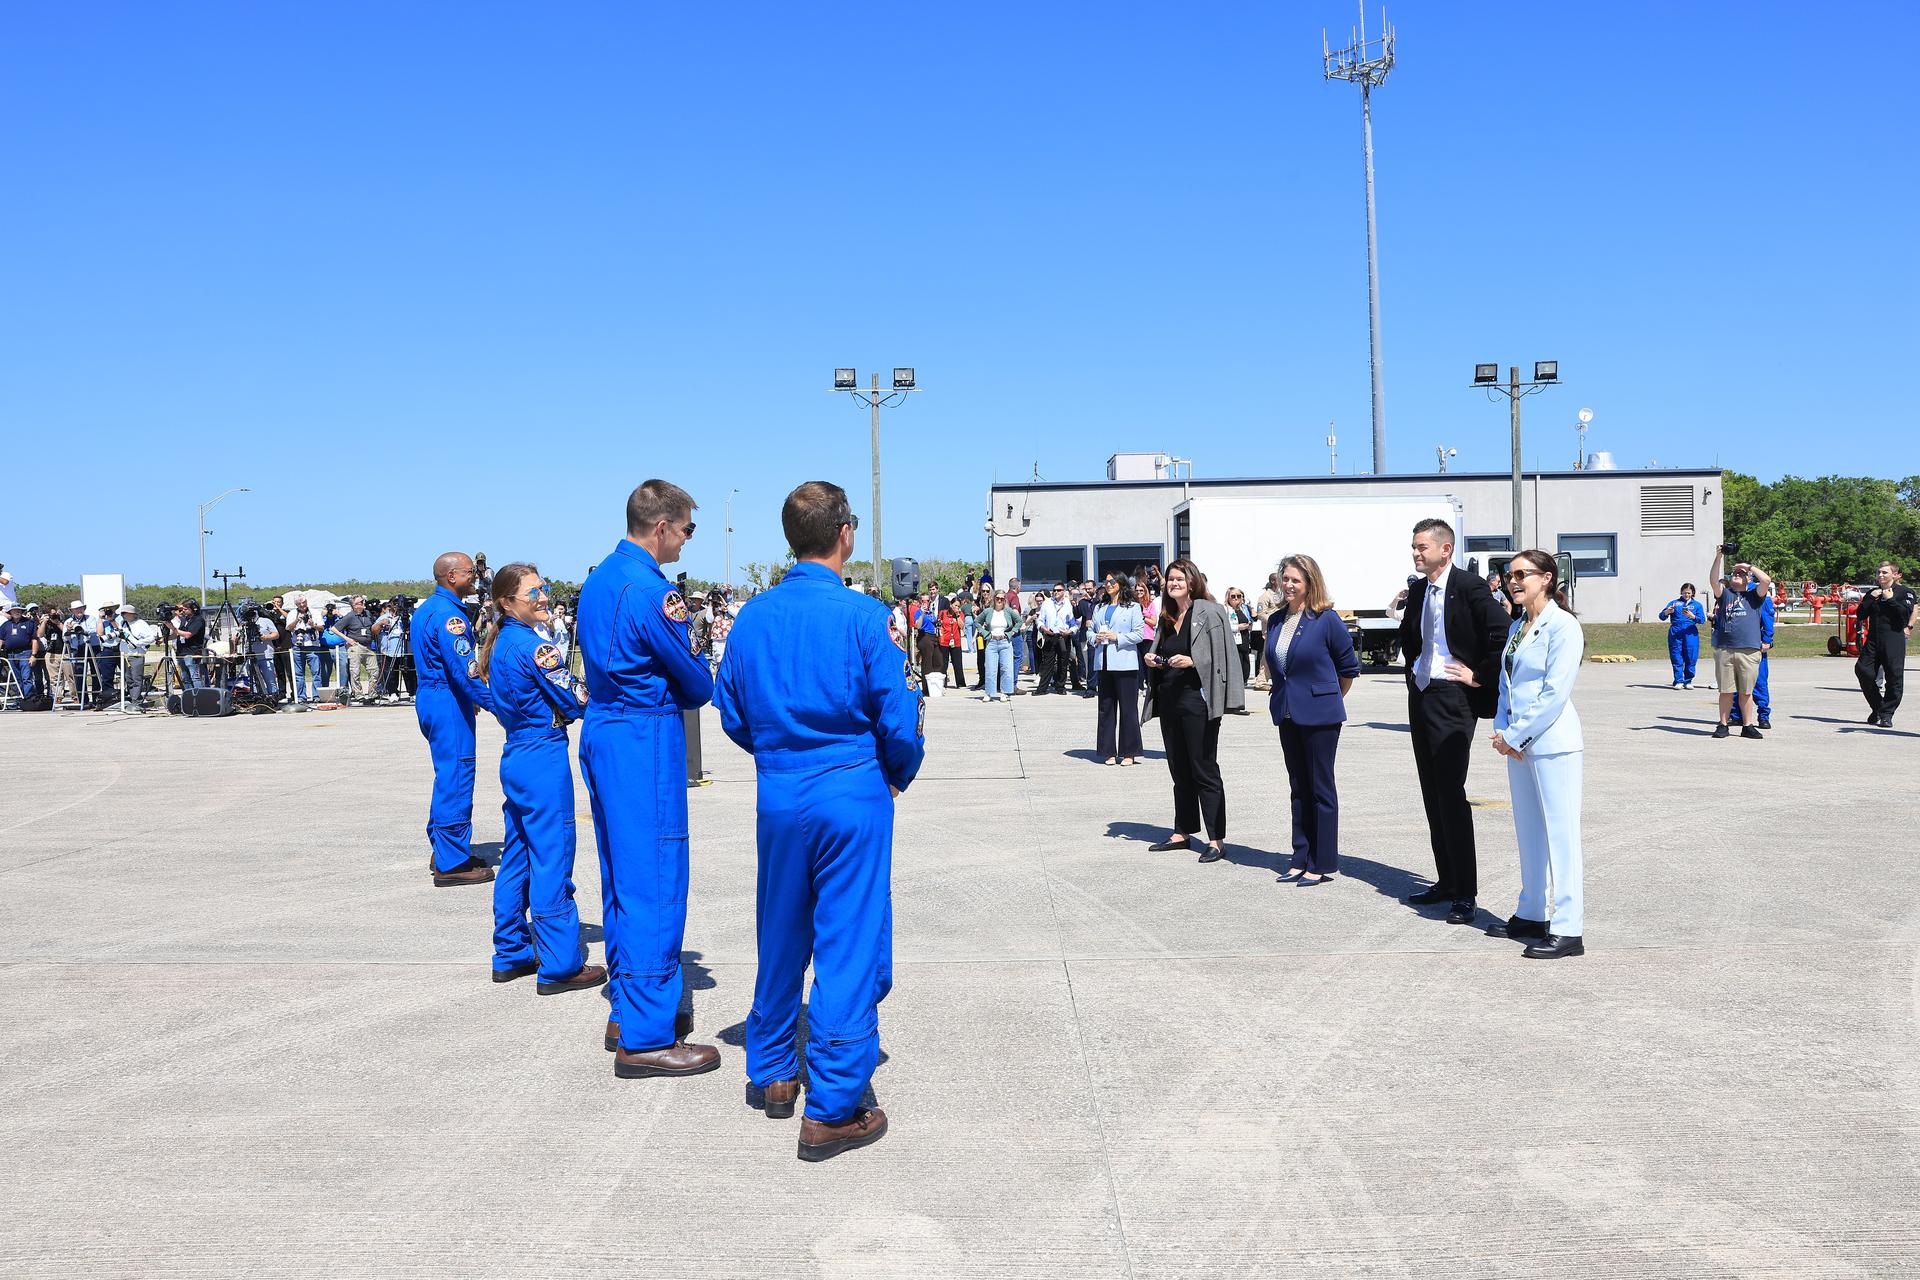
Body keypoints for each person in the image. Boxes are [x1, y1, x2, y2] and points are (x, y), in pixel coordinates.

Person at [715, 481, 926, 1162]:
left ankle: (774, 1072)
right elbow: (897, 715)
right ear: (845, 534)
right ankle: (832, 1105)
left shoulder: (751, 618)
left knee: (780, 930)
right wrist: (896, 770)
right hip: (850, 788)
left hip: (780, 791)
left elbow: (732, 713)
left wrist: (779, 756)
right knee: (848, 941)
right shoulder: (864, 617)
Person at [578, 479, 719, 1079]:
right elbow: (693, 679)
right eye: (687, 529)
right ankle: (648, 1035)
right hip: (644, 736)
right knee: (657, 881)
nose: (688, 540)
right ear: (660, 527)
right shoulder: (651, 592)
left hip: (605, 729)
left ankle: (626, 1006)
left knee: (620, 878)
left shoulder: (600, 579)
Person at [474, 562, 606, 994]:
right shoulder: (536, 647)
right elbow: (576, 696)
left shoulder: (501, 643)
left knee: (518, 853)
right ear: (507, 602)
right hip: (543, 754)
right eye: (534, 592)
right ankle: (560, 962)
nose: (544, 596)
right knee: (552, 856)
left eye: (544, 588)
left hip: (517, 752)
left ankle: (510, 951)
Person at [1394, 518, 1511, 925]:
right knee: (1431, 792)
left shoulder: (1470, 587)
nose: (1415, 552)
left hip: (1453, 698)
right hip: (1422, 693)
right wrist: (1413, 669)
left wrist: (1478, 676)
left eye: (1422, 546)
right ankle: (1446, 880)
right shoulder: (1418, 589)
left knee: (1450, 792)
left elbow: (1502, 633)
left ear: (1446, 549)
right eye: (1413, 546)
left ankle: (1466, 892)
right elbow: (1413, 637)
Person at [1487, 550, 1587, 959]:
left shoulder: (1563, 626)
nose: (1513, 581)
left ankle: (1568, 928)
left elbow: (1554, 693)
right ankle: (1531, 912)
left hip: (1552, 742)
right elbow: (1505, 684)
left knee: (1561, 836)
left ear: (1547, 578)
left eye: (1521, 575)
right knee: (1529, 832)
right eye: (1510, 575)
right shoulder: (1517, 625)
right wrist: (1501, 727)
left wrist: (1515, 734)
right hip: (1517, 742)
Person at [1265, 556, 1359, 886]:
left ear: (1310, 583)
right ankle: (1299, 857)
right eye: (1285, 579)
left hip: (1320, 715)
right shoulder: (1276, 620)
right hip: (1287, 711)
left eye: (1295, 580)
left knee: (1321, 788)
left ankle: (1321, 862)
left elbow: (1348, 668)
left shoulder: (1326, 619)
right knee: (1298, 788)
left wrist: (1328, 699)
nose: (1288, 585)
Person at [1140, 559, 1242, 861]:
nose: (1173, 583)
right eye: (1170, 579)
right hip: (1170, 699)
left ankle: (1216, 839)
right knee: (1179, 769)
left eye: (1179, 579)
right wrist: (1153, 658)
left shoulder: (1210, 611)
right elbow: (1164, 652)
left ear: (1192, 581)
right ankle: (1182, 832)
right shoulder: (1167, 615)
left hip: (1199, 700)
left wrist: (1194, 661)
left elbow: (1223, 656)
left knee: (1204, 769)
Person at [411, 554, 498, 888]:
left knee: (447, 773)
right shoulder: (451, 617)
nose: (475, 577)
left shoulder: (429, 609)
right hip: (447, 700)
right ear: (451, 576)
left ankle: (445, 848)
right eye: (470, 572)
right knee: (457, 775)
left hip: (435, 697)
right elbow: (467, 672)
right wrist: (498, 707)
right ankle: (452, 863)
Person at [1706, 547, 1772, 740]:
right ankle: (1723, 724)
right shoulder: (1726, 594)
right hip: (1725, 649)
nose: (1737, 575)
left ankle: (1747, 725)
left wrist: (1748, 567)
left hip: (1749, 650)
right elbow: (1713, 580)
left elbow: (1766, 580)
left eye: (1741, 574)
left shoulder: (1754, 597)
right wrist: (1719, 556)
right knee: (1726, 691)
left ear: (1748, 579)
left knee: (1746, 691)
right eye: (1734, 573)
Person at [1091, 575, 1145, 764]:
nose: (1108, 585)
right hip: (1103, 661)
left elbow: (1139, 634)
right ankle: (1108, 751)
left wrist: (1117, 637)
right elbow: (1090, 629)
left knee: (1128, 708)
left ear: (1121, 584)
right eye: (1106, 582)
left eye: (1112, 582)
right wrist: (1094, 638)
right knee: (1106, 707)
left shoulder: (1133, 607)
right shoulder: (1099, 607)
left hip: (1124, 662)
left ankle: (1129, 751)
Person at [1855, 560, 1917, 728]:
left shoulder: (1905, 592)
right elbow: (1860, 614)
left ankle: (1887, 714)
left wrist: (1890, 599)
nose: (1880, 575)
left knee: (1894, 678)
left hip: (1894, 640)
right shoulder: (1873, 593)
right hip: (1874, 640)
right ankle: (1878, 707)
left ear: (1896, 575)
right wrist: (1870, 599)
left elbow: (1904, 615)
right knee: (1862, 670)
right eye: (1879, 572)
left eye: (1885, 572)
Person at [330, 595, 379, 703]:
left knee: (374, 671)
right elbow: (334, 628)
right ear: (354, 605)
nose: (363, 603)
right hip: (356, 646)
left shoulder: (368, 614)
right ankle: (359, 695)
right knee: (355, 672)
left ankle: (372, 693)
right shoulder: (349, 616)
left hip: (368, 646)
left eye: (363, 601)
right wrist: (347, 639)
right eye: (360, 602)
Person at [1659, 583, 1708, 689]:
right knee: (1676, 656)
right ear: (1681, 592)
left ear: (1692, 593)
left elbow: (1702, 620)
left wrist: (1693, 616)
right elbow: (1661, 616)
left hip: (1690, 632)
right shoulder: (1675, 603)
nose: (1686, 595)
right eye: (1685, 592)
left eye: (1689, 593)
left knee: (1691, 656)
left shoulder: (1697, 605)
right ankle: (1678, 680)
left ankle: (1688, 680)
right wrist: (1667, 612)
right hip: (1676, 632)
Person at [1035, 582, 1075, 695]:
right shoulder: (1047, 603)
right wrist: (1043, 628)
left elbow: (1073, 623)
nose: (1056, 592)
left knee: (1063, 663)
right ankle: (1042, 688)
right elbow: (1040, 620)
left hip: (1063, 636)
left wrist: (1069, 631)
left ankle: (1060, 687)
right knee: (1047, 663)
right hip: (1050, 635)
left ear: (1064, 592)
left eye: (1059, 590)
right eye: (1054, 590)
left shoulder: (1067, 604)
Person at [979, 591, 1019, 701]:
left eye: (1002, 598)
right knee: (990, 669)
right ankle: (989, 693)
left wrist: (1011, 633)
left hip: (1005, 642)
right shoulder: (988, 611)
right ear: (994, 599)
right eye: (997, 598)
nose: (1000, 600)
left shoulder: (1008, 611)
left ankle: (1004, 692)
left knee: (1006, 668)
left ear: (1005, 600)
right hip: (991, 642)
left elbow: (1019, 621)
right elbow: (977, 622)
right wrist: (985, 633)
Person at [1250, 572, 1283, 684]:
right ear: (1273, 581)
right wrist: (1275, 619)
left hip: (1283, 629)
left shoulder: (1281, 595)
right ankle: (1261, 680)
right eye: (1280, 579)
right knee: (1268, 654)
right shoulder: (1265, 596)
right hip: (1271, 629)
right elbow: (1260, 614)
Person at [170, 600, 207, 691]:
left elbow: (188, 634)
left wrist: (172, 627)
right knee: (185, 678)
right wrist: (165, 639)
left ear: (193, 609)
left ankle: (199, 697)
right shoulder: (184, 619)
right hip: (181, 652)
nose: (183, 611)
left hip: (192, 652)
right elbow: (177, 634)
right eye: (182, 609)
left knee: (195, 677)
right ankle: (189, 697)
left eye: (185, 609)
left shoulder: (198, 620)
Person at [1, 602, 33, 706]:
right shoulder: (6, 625)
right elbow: (1, 640)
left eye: (19, 610)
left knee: (26, 677)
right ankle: (20, 699)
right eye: (14, 610)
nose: (17, 611)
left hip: (25, 653)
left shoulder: (29, 623)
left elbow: (35, 640)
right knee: (16, 678)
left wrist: (33, 655)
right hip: (10, 654)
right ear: (10, 612)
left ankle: (28, 699)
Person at [1225, 587, 1255, 694]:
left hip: (1245, 639)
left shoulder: (1243, 608)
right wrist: (1238, 627)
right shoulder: (1226, 609)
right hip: (1234, 640)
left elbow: (1252, 619)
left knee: (1246, 662)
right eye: (1233, 596)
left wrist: (1249, 625)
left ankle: (1244, 682)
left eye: (1239, 596)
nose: (1236, 598)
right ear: (1228, 598)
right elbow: (1225, 626)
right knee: (1237, 664)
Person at [938, 599, 966, 692]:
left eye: (958, 606)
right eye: (955, 605)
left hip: (956, 641)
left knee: (957, 663)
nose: (956, 607)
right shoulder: (943, 613)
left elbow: (962, 627)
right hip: (944, 641)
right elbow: (939, 625)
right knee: (943, 664)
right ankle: (943, 683)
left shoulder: (960, 614)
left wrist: (958, 616)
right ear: (951, 604)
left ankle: (960, 683)